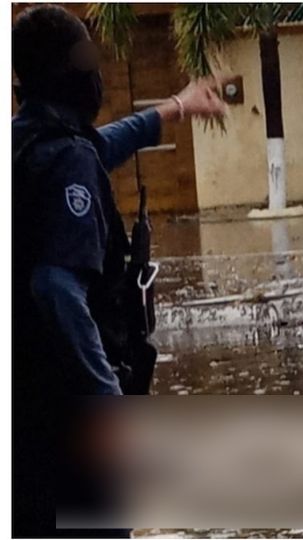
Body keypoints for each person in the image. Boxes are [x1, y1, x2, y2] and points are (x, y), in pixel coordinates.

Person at [13, 5, 226, 536]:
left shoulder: (27, 144)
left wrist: (176, 107)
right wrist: (107, 396)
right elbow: (56, 286)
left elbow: (99, 146)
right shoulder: (66, 157)